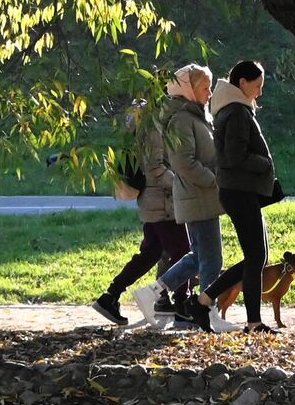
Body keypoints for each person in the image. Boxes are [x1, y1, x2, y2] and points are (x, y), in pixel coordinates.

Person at [142, 63, 228, 332]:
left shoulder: (195, 115)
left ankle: (153, 292)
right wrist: (215, 181)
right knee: (212, 260)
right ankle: (208, 311)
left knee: (199, 256)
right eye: (205, 87)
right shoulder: (181, 119)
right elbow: (184, 162)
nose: (210, 92)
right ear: (189, 89)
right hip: (198, 197)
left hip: (201, 197)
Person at [92, 94, 190, 325]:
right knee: (184, 252)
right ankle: (182, 303)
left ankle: (111, 296)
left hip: (151, 199)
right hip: (162, 200)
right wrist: (180, 184)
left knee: (151, 252)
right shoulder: (154, 125)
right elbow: (155, 167)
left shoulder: (142, 122)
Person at [202, 60, 279, 334]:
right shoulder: (236, 112)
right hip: (239, 190)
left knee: (257, 256)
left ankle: (204, 300)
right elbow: (234, 156)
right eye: (257, 86)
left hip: (240, 190)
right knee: (256, 256)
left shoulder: (233, 108)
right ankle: (253, 322)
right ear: (242, 83)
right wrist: (265, 164)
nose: (259, 91)